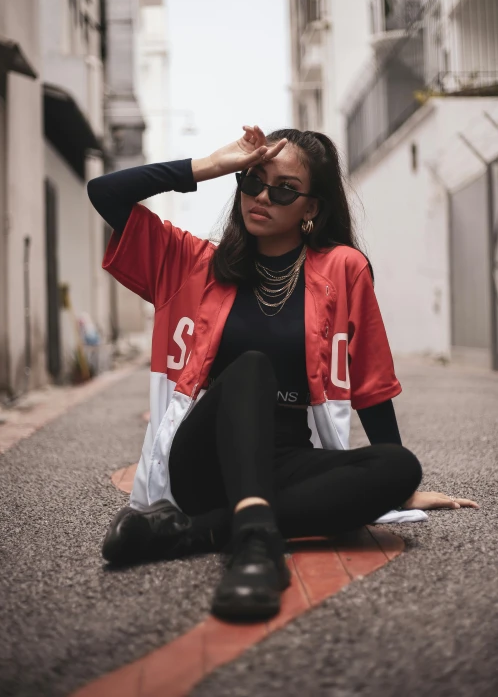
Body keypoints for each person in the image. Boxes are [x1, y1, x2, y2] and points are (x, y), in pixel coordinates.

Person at [87, 126, 478, 622]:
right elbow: (105, 192)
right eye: (252, 181)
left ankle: (194, 532)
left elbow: (371, 384)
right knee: (252, 369)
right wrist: (211, 164)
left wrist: (398, 492)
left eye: (284, 189)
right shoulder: (190, 263)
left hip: (285, 460)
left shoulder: (343, 269)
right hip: (202, 460)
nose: (262, 197)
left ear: (311, 208)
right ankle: (254, 546)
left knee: (398, 466)